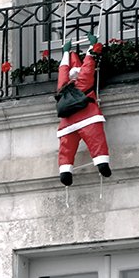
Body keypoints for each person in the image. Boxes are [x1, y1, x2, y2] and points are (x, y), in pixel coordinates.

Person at [56, 33, 112, 186]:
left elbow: (62, 71)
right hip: (88, 116)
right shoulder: (83, 82)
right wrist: (92, 47)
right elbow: (88, 66)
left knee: (66, 147)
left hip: (67, 123)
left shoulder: (63, 87)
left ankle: (65, 171)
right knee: (96, 140)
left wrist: (66, 53)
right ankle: (102, 163)